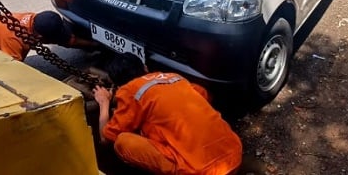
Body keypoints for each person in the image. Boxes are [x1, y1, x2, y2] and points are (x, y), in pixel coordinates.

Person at [93, 53, 243, 175]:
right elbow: (203, 94)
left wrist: (104, 103)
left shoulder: (129, 91)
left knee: (122, 141)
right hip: (234, 156)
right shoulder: (174, 77)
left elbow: (106, 138)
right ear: (145, 68)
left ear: (119, 85)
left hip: (200, 171)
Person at [0, 11, 97, 60]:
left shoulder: (37, 20)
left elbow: (67, 40)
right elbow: (11, 71)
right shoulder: (14, 39)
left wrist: (95, 45)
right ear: (39, 38)